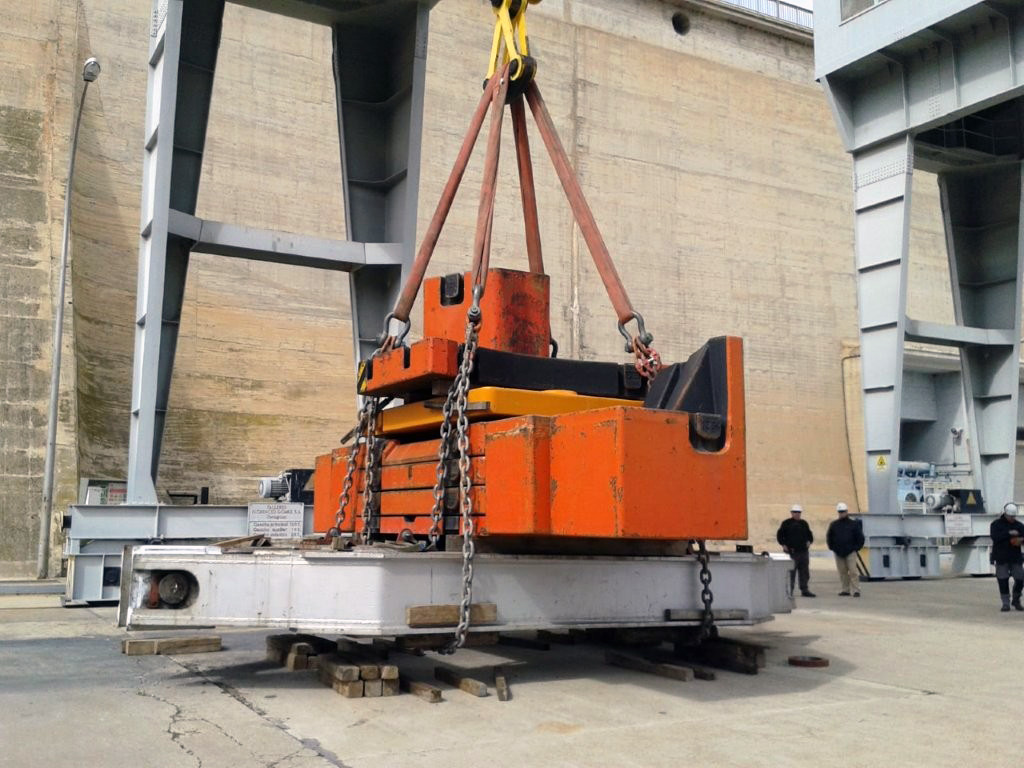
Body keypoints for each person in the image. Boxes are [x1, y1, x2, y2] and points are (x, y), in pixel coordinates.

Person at [990, 502, 1024, 612]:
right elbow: (995, 537)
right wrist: (1009, 533)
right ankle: (1005, 603)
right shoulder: (996, 524)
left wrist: (1020, 540)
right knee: (1003, 580)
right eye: (1010, 516)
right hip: (1001, 557)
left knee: (1020, 579)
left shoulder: (1019, 525)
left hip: (1015, 557)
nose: (1012, 518)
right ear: (1005, 514)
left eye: (1014, 516)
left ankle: (1016, 599)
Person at [826, 502, 864, 597]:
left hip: (850, 551)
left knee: (853, 571)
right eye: (840, 512)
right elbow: (829, 537)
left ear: (847, 512)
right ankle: (845, 590)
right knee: (842, 572)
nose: (841, 513)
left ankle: (856, 590)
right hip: (838, 552)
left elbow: (860, 537)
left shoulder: (853, 524)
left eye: (843, 511)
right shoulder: (834, 525)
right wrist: (832, 547)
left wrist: (856, 548)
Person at [777, 504, 815, 597]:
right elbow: (780, 535)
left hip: (803, 552)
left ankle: (804, 589)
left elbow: (810, 535)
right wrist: (783, 544)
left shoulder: (804, 523)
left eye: (799, 512)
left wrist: (809, 541)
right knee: (791, 572)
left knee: (804, 572)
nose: (797, 514)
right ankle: (790, 591)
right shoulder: (786, 523)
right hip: (791, 553)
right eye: (795, 512)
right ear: (791, 513)